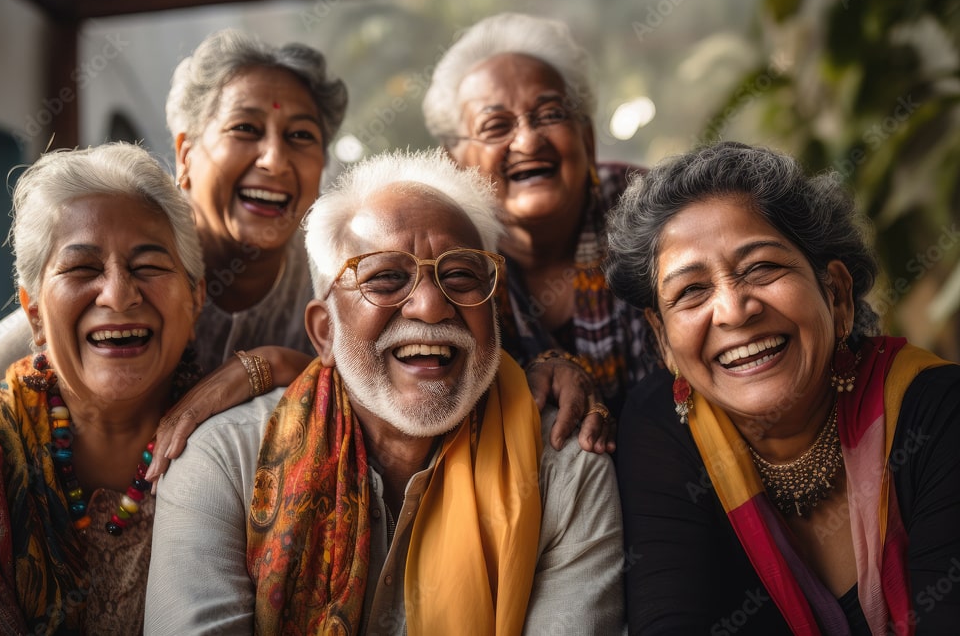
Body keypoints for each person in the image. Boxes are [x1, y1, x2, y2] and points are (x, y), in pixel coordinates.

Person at [144, 149, 625, 634]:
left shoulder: (566, 467)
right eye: (386, 278)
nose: (432, 306)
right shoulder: (226, 461)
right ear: (324, 332)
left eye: (460, 274)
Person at [604, 141, 960, 634]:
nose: (733, 311)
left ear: (835, 294)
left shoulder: (939, 412)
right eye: (691, 291)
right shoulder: (661, 430)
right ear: (663, 338)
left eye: (762, 268)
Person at [0, 28, 346, 474]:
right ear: (184, 154)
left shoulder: (335, 285)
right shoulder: (111, 272)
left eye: (300, 135)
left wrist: (274, 365)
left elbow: (373, 411)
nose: (275, 160)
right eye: (245, 128)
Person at [0, 142, 206, 635]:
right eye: (82, 268)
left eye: (148, 266)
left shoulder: (245, 447)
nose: (117, 294)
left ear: (195, 301)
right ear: (34, 314)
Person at [422, 12, 654, 451]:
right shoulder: (441, 259)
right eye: (496, 126)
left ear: (587, 137)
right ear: (455, 161)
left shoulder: (654, 213)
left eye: (550, 114)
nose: (527, 142)